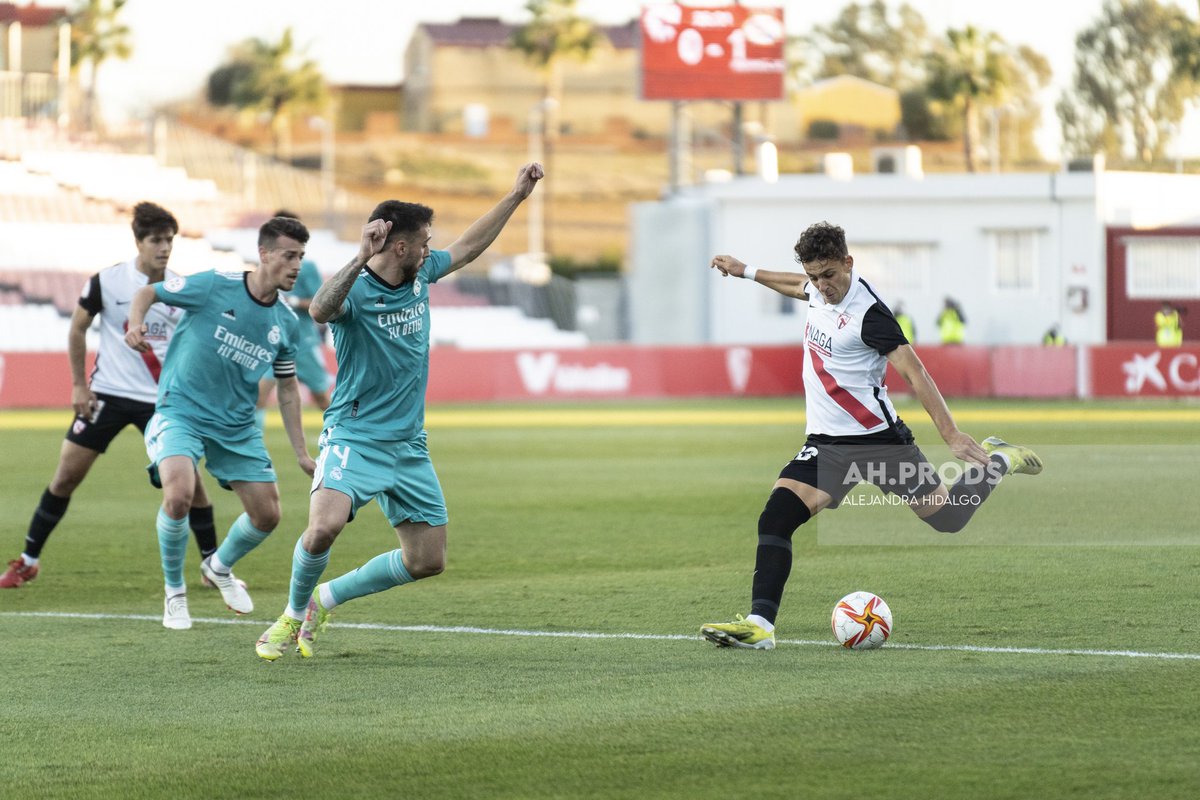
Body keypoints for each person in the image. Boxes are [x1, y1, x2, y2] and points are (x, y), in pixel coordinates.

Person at [701, 221, 1043, 651]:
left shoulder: (870, 314)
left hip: (879, 443)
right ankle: (760, 626)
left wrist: (952, 435)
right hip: (827, 445)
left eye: (829, 275)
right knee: (775, 517)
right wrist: (745, 270)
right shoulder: (816, 288)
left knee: (949, 518)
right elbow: (795, 285)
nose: (821, 286)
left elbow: (915, 372)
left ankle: (997, 461)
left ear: (848, 263)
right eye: (815, 277)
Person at [254, 162, 544, 660]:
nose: (432, 249)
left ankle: (327, 599)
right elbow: (320, 310)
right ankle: (289, 615)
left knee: (427, 560)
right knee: (322, 527)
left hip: (409, 442)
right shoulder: (356, 289)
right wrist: (360, 255)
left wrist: (517, 196)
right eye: (425, 241)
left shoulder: (422, 272)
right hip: (354, 434)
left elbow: (471, 245)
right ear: (401, 247)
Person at [1, 203, 223, 590]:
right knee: (66, 476)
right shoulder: (107, 281)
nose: (165, 248)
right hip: (107, 394)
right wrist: (77, 385)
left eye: (169, 240)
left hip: (163, 403)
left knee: (190, 483)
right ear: (138, 241)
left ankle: (213, 566)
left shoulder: (180, 287)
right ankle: (29, 560)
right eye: (156, 240)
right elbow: (76, 331)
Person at [125, 215, 317, 630]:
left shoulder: (286, 323)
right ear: (264, 254)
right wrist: (135, 323)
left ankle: (219, 566)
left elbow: (286, 389)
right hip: (182, 411)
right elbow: (147, 292)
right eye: (289, 255)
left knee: (267, 515)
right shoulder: (216, 284)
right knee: (179, 492)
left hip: (236, 425)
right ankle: (174, 593)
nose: (297, 265)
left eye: (301, 256)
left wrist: (301, 452)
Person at [254, 209, 334, 431]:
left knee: (321, 398)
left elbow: (322, 302)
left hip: (303, 342)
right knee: (259, 394)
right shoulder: (263, 265)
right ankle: (252, 450)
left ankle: (349, 437)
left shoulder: (306, 267)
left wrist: (294, 301)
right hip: (274, 341)